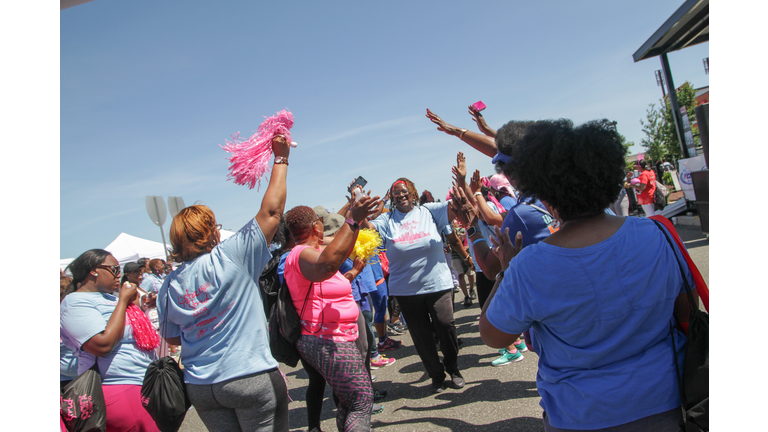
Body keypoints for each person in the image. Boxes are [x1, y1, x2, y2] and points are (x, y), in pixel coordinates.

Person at [478, 118, 697, 431]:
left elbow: (493, 335)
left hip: (580, 414)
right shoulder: (658, 233)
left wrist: (505, 272)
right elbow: (686, 312)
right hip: (668, 402)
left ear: (544, 191)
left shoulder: (529, 265)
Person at [156, 135, 291, 432]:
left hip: (202, 387)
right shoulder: (232, 256)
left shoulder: (167, 286)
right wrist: (280, 159)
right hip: (249, 375)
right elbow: (271, 212)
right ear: (212, 232)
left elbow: (174, 339)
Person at [360, 178, 466, 394]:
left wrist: (462, 182)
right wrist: (359, 208)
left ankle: (453, 368)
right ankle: (436, 375)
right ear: (392, 197)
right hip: (406, 290)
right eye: (396, 193)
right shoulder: (387, 219)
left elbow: (455, 209)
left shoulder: (429, 211)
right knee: (421, 335)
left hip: (437, 283)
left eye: (404, 191)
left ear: (413, 193)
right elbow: (367, 227)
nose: (401, 195)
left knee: (445, 325)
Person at [283, 195, 380, 432]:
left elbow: (336, 255)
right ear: (316, 226)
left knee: (349, 401)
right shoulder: (301, 254)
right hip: (327, 340)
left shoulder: (313, 252)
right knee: (361, 400)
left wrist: (354, 268)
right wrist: (352, 221)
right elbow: (327, 265)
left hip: (333, 338)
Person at [60, 249, 160, 431]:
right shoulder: (75, 302)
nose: (119, 275)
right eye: (114, 269)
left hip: (143, 383)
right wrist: (123, 301)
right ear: (93, 271)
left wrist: (137, 305)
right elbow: (102, 345)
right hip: (118, 386)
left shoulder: (108, 298)